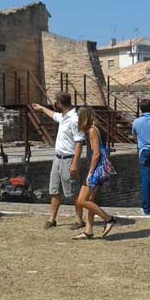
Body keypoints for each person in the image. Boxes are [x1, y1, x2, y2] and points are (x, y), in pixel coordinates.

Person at [31, 92, 86, 229]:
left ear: (59, 103)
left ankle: (79, 220)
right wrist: (42, 108)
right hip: (57, 159)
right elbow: (54, 115)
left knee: (73, 192)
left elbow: (79, 143)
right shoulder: (63, 117)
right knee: (54, 190)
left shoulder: (74, 119)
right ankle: (52, 219)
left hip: (68, 160)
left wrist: (74, 164)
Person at [73, 106, 117, 240]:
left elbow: (96, 153)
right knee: (89, 200)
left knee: (82, 200)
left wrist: (90, 172)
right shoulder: (95, 129)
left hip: (95, 169)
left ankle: (108, 219)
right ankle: (88, 231)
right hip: (94, 168)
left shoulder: (92, 130)